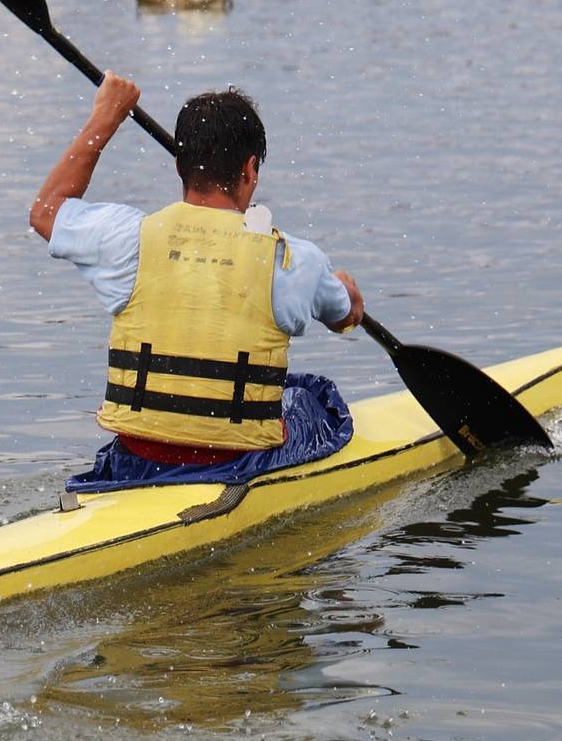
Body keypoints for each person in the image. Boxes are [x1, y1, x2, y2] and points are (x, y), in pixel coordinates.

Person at [29, 72, 364, 488]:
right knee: (311, 395)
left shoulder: (128, 237)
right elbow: (345, 314)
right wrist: (348, 293)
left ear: (178, 166)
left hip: (137, 457)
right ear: (250, 169)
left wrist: (106, 117)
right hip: (242, 462)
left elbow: (46, 210)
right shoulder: (295, 260)